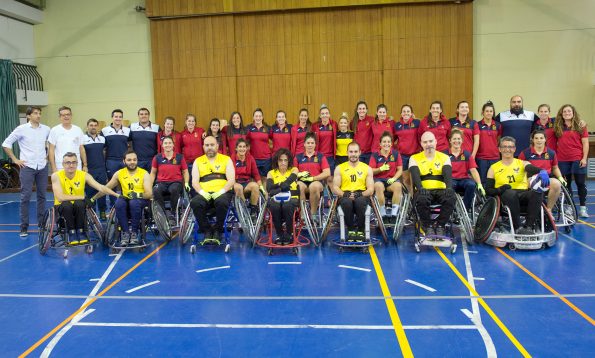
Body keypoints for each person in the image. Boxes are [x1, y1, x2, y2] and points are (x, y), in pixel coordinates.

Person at [485, 136, 550, 234]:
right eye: (504, 146)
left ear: (514, 149)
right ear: (499, 149)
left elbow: (530, 168)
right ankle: (518, 227)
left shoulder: (522, 163)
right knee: (510, 193)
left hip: (523, 193)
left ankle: (528, 227)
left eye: (511, 147)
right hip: (505, 195)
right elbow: (488, 191)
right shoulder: (493, 168)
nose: (507, 149)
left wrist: (541, 171)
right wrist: (500, 189)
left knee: (537, 192)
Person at [2, 106, 50, 237]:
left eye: (40, 113)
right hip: (27, 167)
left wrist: (47, 157)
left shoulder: (46, 129)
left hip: (42, 166)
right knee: (25, 197)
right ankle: (23, 227)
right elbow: (6, 144)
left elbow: (50, 144)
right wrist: (15, 159)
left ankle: (42, 224)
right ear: (28, 116)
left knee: (42, 196)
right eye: (35, 113)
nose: (38, 115)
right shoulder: (21, 129)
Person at [51, 152, 118, 244]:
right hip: (62, 206)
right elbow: (60, 197)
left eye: (74, 162)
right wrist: (82, 196)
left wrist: (117, 195)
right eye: (68, 162)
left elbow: (101, 187)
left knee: (80, 204)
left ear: (77, 163)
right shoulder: (56, 176)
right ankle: (71, 233)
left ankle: (81, 231)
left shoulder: (84, 175)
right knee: (68, 205)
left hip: (79, 205)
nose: (71, 165)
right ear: (63, 164)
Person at [94, 150, 152, 246]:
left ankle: (134, 232)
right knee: (118, 203)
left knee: (134, 202)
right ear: (124, 161)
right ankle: (125, 233)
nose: (132, 162)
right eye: (129, 160)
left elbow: (149, 194)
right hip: (125, 198)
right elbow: (106, 188)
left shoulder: (144, 173)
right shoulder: (119, 173)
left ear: (137, 160)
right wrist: (93, 199)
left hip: (141, 200)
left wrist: (137, 195)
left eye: (134, 160)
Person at [409, 131, 455, 237]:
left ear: (435, 142)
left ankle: (440, 225)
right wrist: (420, 188)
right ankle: (427, 226)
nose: (428, 144)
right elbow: (415, 176)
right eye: (425, 142)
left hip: (441, 190)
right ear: (421, 144)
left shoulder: (445, 157)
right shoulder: (414, 158)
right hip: (424, 190)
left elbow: (448, 176)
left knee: (451, 197)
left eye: (430, 141)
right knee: (421, 198)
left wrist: (449, 188)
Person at [190, 136, 235, 242]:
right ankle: (206, 230)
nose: (209, 147)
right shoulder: (198, 161)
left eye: (212, 145)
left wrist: (222, 191)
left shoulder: (226, 159)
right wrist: (202, 192)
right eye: (207, 145)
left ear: (217, 146)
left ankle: (218, 230)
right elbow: (194, 182)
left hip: (222, 191)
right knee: (195, 202)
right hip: (204, 192)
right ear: (203, 147)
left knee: (222, 202)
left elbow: (231, 180)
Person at [332, 142, 374, 240]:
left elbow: (371, 189)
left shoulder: (367, 168)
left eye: (355, 151)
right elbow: (335, 187)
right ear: (347, 153)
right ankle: (350, 229)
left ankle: (360, 230)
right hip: (345, 194)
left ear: (359, 153)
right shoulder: (339, 168)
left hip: (361, 194)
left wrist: (360, 194)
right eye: (351, 152)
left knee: (360, 202)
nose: (353, 154)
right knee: (346, 202)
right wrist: (344, 194)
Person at [554, 104, 589, 218]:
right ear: (561, 113)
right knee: (566, 184)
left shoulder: (580, 126)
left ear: (573, 113)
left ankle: (583, 208)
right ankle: (570, 207)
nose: (567, 113)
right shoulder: (558, 126)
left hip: (577, 159)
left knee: (580, 183)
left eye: (569, 111)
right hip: (562, 160)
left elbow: (585, 143)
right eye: (564, 111)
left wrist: (584, 158)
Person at [518, 130, 565, 213]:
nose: (539, 140)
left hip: (547, 178)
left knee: (557, 184)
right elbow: (519, 169)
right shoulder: (525, 153)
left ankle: (548, 210)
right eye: (536, 138)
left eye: (541, 138)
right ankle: (536, 210)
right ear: (532, 140)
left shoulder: (551, 153)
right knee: (538, 183)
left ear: (545, 139)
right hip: (530, 179)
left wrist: (560, 177)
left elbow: (555, 168)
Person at [294, 133, 331, 223]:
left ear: (315, 144)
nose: (310, 145)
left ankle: (313, 215)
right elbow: (293, 172)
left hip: (316, 182)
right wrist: (300, 174)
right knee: (298, 185)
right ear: (304, 144)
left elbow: (327, 172)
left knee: (313, 186)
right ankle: (303, 215)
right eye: (308, 143)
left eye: (312, 143)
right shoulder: (298, 157)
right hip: (302, 182)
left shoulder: (320, 156)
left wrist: (313, 178)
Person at [266, 148, 300, 244]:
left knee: (287, 205)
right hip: (276, 199)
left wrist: (277, 188)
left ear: (289, 161)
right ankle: (279, 235)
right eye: (280, 160)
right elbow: (269, 188)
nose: (283, 162)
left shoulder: (294, 169)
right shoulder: (271, 173)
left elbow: (287, 183)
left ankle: (289, 234)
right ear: (277, 161)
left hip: (292, 198)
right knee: (274, 206)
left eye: (285, 160)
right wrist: (281, 186)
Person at [446, 129, 483, 212]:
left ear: (462, 141)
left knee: (471, 185)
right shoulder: (445, 154)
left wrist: (479, 184)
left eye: (459, 139)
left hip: (464, 179)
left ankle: (465, 209)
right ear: (450, 141)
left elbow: (473, 170)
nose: (457, 141)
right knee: (449, 186)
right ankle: (452, 210)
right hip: (451, 179)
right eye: (454, 139)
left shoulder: (466, 154)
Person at [150, 136, 189, 215]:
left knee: (174, 189)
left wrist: (186, 183)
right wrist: (150, 185)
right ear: (162, 145)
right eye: (165, 143)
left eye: (170, 143)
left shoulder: (179, 157)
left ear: (173, 145)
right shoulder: (157, 158)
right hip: (161, 183)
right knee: (156, 190)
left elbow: (185, 172)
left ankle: (173, 213)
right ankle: (162, 214)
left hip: (176, 182)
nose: (168, 145)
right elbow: (153, 173)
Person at [369, 132, 403, 218]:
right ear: (380, 144)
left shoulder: (396, 154)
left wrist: (394, 178)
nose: (386, 144)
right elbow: (370, 171)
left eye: (388, 142)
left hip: (390, 180)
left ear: (391, 144)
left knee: (398, 186)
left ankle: (394, 215)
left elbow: (400, 169)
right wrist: (380, 169)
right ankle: (382, 214)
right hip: (378, 180)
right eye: (384, 142)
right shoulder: (375, 155)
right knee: (379, 186)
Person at [48, 106, 87, 173]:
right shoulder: (54, 130)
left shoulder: (78, 130)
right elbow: (51, 150)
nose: (66, 117)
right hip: (60, 166)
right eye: (63, 115)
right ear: (60, 117)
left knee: (77, 183)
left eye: (68, 114)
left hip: (76, 165)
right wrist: (53, 167)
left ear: (71, 116)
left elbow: (82, 149)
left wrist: (85, 165)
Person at [82, 118, 108, 220]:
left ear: (98, 127)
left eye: (95, 125)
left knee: (102, 192)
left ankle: (102, 211)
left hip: (101, 169)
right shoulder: (83, 139)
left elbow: (105, 152)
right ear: (87, 126)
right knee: (90, 193)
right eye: (91, 125)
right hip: (89, 170)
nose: (93, 127)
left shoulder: (102, 139)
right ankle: (91, 213)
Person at [393, 104, 420, 193]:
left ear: (411, 113)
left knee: (415, 178)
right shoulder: (397, 125)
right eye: (404, 111)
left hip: (415, 155)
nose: (406, 113)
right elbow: (393, 139)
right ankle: (409, 198)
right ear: (401, 114)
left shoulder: (417, 123)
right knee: (405, 179)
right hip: (403, 156)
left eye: (408, 111)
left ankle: (416, 197)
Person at [232, 139, 263, 216]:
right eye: (240, 147)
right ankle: (245, 210)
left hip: (246, 183)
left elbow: (256, 174)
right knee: (238, 187)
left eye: (244, 147)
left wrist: (261, 186)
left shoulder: (250, 158)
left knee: (255, 186)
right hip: (236, 183)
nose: (242, 149)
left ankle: (253, 212)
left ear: (246, 148)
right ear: (236, 148)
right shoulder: (232, 159)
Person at [102, 109, 130, 189]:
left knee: (125, 183)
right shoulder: (104, 131)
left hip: (124, 161)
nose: (118, 118)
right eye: (116, 116)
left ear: (122, 118)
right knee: (112, 184)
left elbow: (130, 144)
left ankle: (125, 201)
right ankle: (112, 202)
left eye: (120, 117)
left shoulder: (127, 130)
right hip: (111, 161)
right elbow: (102, 147)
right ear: (112, 117)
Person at [476, 101, 501, 184]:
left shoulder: (498, 125)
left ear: (493, 113)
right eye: (487, 111)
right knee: (482, 181)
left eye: (491, 111)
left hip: (495, 157)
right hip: (481, 158)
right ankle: (483, 197)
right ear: (483, 112)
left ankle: (493, 197)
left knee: (495, 181)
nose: (489, 113)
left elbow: (499, 139)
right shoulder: (477, 125)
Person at [129, 107, 160, 172]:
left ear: (149, 116)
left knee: (151, 180)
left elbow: (160, 144)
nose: (144, 116)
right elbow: (126, 142)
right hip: (137, 161)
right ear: (138, 116)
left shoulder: (156, 127)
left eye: (146, 114)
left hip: (152, 160)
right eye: (141, 114)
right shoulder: (132, 127)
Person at [312, 104, 337, 182]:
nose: (325, 115)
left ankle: (330, 194)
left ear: (329, 115)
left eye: (326, 113)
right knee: (320, 178)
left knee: (330, 178)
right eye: (322, 114)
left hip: (330, 156)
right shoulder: (315, 126)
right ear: (320, 115)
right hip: (319, 156)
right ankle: (321, 194)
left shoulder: (334, 124)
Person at [180, 113, 204, 188]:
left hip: (199, 161)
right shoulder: (182, 134)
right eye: (189, 121)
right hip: (187, 162)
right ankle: (190, 197)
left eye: (193, 121)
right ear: (186, 122)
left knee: (199, 180)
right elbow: (180, 147)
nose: (191, 123)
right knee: (189, 180)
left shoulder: (200, 131)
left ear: (195, 122)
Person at [246, 108, 272, 177]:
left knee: (266, 179)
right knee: (255, 179)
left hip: (266, 159)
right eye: (256, 116)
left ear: (262, 117)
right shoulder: (249, 128)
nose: (258, 118)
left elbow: (275, 139)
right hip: (254, 159)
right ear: (253, 117)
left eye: (260, 116)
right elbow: (244, 140)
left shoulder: (267, 128)